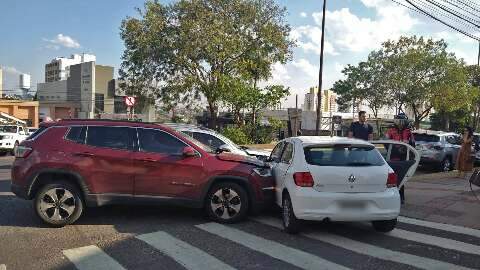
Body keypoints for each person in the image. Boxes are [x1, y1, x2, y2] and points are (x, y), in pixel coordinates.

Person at [385, 114, 414, 205]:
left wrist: (407, 147)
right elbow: (386, 143)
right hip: (393, 156)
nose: (400, 123)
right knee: (391, 177)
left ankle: (401, 197)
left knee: (401, 177)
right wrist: (393, 149)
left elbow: (413, 144)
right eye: (398, 121)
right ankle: (390, 196)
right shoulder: (391, 130)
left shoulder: (408, 131)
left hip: (404, 157)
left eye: (401, 121)